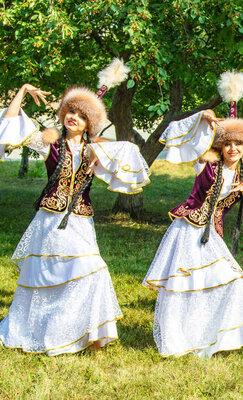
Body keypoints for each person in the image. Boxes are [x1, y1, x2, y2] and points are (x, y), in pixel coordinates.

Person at [0, 60, 151, 355]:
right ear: (63, 113)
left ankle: (91, 335)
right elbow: (11, 121)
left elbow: (131, 153)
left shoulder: (96, 148)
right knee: (45, 278)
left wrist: (100, 153)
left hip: (80, 220)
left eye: (82, 116)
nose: (74, 118)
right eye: (71, 111)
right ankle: (48, 332)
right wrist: (23, 90)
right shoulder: (50, 144)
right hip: (49, 219)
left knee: (92, 270)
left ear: (89, 124)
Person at [143, 72, 243, 358]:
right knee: (185, 285)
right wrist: (203, 117)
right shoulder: (206, 165)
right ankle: (181, 338)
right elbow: (173, 133)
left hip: (213, 236)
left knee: (230, 280)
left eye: (239, 145)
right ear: (220, 147)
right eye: (228, 144)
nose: (233, 149)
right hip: (188, 231)